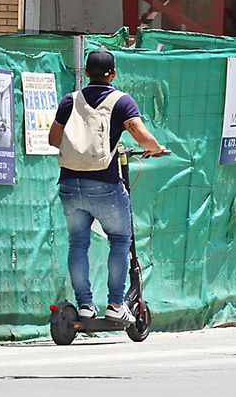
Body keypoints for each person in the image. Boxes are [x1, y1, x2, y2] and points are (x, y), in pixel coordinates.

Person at [48, 49, 167, 328]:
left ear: (86, 72)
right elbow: (140, 134)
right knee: (120, 240)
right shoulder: (121, 101)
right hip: (105, 184)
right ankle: (115, 305)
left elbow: (54, 139)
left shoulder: (70, 101)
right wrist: (156, 148)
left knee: (78, 243)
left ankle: (85, 306)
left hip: (69, 183)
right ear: (113, 74)